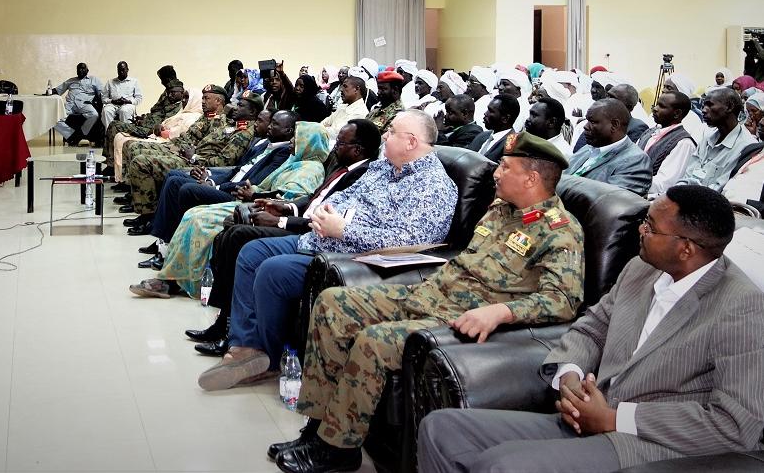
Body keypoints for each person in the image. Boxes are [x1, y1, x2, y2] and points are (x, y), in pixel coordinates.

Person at [271, 132, 584, 473]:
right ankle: (318, 428)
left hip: (460, 319)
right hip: (430, 294)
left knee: (375, 342)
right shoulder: (500, 209)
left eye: (506, 167)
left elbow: (563, 299)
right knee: (332, 303)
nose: (496, 173)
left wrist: (502, 312)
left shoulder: (560, 231)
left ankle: (337, 448)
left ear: (531, 178)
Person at [418, 185, 764, 473]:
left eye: (651, 226)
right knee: (443, 429)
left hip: (645, 444)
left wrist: (615, 418)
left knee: (501, 465)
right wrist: (569, 377)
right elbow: (592, 328)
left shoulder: (741, 307)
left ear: (686, 249)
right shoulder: (639, 269)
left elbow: (736, 423)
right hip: (585, 415)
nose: (641, 230)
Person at [196, 110, 459, 393]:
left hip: (351, 258)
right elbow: (345, 196)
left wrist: (344, 230)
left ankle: (268, 359)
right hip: (322, 238)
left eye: (392, 131)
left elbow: (409, 241)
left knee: (273, 271)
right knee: (252, 252)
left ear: (411, 142)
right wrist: (324, 212)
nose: (385, 135)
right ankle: (246, 347)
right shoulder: (384, 167)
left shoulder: (433, 186)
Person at [186, 119, 381, 357]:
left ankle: (229, 330)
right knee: (230, 233)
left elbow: (328, 218)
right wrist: (285, 207)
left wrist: (281, 221)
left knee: (239, 236)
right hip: (301, 220)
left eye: (340, 143)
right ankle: (224, 321)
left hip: (312, 232)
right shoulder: (342, 167)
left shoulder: (363, 174)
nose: (334, 148)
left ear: (357, 149)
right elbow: (314, 199)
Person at [130, 121, 330, 298]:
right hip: (254, 201)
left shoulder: (310, 169)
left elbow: (291, 197)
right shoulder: (295, 162)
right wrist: (254, 192)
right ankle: (170, 275)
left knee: (200, 220)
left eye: (297, 137)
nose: (292, 141)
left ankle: (179, 282)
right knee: (193, 212)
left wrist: (254, 195)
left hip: (264, 209)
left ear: (309, 142)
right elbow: (265, 184)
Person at [136, 109, 293, 265]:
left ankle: (169, 249)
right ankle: (163, 241)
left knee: (185, 189)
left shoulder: (283, 152)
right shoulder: (265, 143)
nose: (270, 126)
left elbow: (253, 182)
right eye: (270, 122)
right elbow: (237, 169)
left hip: (236, 194)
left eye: (275, 124)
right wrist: (209, 177)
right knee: (173, 176)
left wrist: (216, 186)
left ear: (289, 130)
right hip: (227, 182)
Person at [122, 87, 259, 231]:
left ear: (252, 112)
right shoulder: (230, 124)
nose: (235, 108)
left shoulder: (244, 133)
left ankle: (148, 216)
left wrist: (193, 157)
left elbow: (223, 162)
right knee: (137, 151)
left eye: (240, 105)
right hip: (190, 156)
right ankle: (149, 214)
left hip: (199, 165)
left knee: (141, 162)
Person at [677, 87, 758, 192]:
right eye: (704, 105)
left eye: (710, 105)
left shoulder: (746, 147)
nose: (703, 110)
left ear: (729, 107)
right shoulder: (707, 137)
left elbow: (721, 190)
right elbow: (687, 176)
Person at [565, 99, 653, 196]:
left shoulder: (636, 161)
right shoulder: (589, 148)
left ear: (614, 125)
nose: (585, 126)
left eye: (593, 122)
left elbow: (610, 199)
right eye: (587, 121)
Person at [102, 66, 183, 169]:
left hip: (149, 130)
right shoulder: (168, 93)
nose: (161, 82)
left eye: (162, 79)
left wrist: (146, 123)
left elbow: (165, 122)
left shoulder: (176, 98)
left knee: (115, 126)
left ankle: (110, 165)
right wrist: (143, 118)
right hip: (145, 124)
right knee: (114, 125)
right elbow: (155, 111)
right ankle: (110, 163)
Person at [110, 83, 192, 184]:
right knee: (119, 136)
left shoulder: (190, 115)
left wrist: (159, 129)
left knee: (130, 144)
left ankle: (127, 181)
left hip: (165, 140)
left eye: (186, 98)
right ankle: (120, 176)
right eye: (169, 93)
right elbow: (158, 116)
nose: (183, 100)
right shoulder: (181, 111)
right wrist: (145, 119)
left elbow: (175, 133)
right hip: (157, 134)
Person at [636, 91, 697, 197]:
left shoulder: (683, 143)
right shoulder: (650, 132)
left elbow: (664, 184)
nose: (655, 109)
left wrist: (629, 180)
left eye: (661, 106)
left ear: (677, 113)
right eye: (656, 104)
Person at [52, 62, 104, 145]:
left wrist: (99, 103)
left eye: (83, 68)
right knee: (54, 119)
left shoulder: (94, 80)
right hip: (70, 105)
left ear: (87, 70)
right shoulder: (71, 80)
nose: (80, 70)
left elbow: (102, 94)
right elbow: (58, 90)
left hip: (84, 104)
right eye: (78, 69)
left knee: (94, 114)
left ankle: (81, 134)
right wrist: (49, 91)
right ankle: (71, 135)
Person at [467, 94, 520, 163]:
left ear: (505, 118)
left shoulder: (512, 145)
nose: (485, 113)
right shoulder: (482, 135)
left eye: (491, 111)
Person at [320, 75, 369, 142]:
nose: (341, 90)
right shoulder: (343, 106)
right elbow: (325, 123)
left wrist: (322, 129)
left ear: (356, 89)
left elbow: (337, 134)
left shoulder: (360, 112)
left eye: (345, 86)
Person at [100, 61, 143, 130]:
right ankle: (109, 133)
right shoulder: (110, 82)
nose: (121, 72)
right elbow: (104, 98)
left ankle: (124, 133)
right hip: (113, 104)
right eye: (119, 70)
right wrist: (113, 101)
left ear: (127, 70)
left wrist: (128, 101)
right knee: (106, 111)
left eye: (123, 70)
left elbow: (139, 98)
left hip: (127, 105)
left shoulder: (134, 81)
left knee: (124, 110)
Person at [497, 68, 532, 132]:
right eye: (500, 84)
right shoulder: (499, 105)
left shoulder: (524, 109)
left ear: (518, 88)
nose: (500, 87)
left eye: (505, 84)